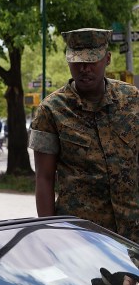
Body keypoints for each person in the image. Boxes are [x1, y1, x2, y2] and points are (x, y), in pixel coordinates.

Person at [28, 28, 139, 242]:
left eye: (92, 61)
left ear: (107, 59)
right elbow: (44, 178)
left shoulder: (132, 100)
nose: (84, 68)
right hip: (82, 238)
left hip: (132, 233)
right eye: (77, 62)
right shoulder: (51, 110)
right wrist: (50, 235)